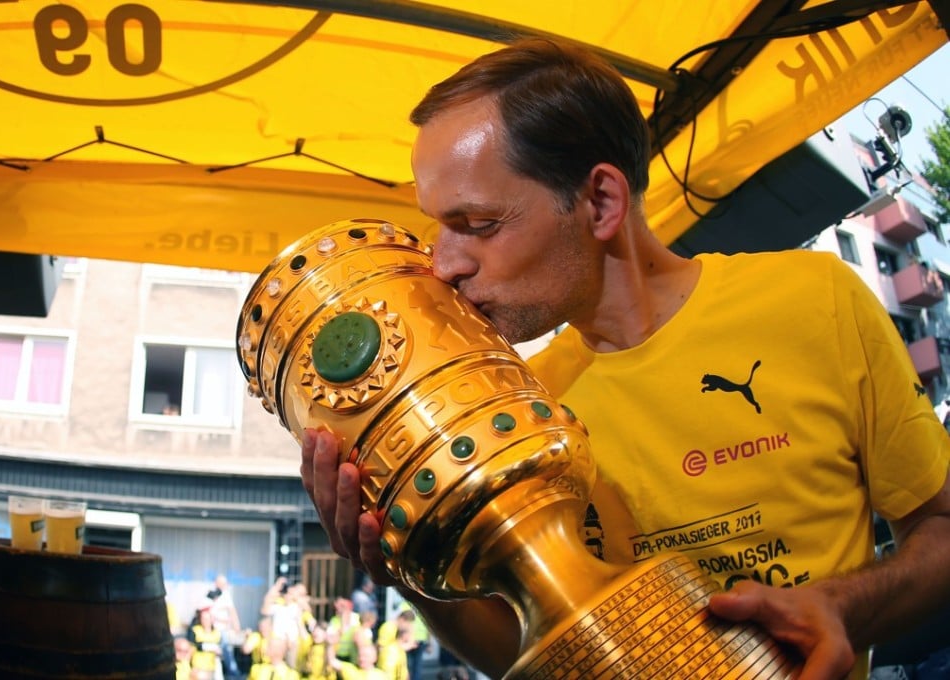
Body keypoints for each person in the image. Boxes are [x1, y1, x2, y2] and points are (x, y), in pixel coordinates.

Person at [299, 36, 950, 680]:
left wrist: (841, 609)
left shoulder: (815, 301)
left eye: (479, 224)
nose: (443, 264)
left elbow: (939, 528)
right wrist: (403, 569)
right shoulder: (518, 404)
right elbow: (544, 653)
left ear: (601, 201)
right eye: (439, 225)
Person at [208, 575, 242, 678]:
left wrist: (236, 626)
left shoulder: (226, 595)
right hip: (213, 630)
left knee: (226, 651)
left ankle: (234, 673)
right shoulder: (212, 595)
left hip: (222, 630)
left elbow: (232, 612)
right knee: (217, 653)